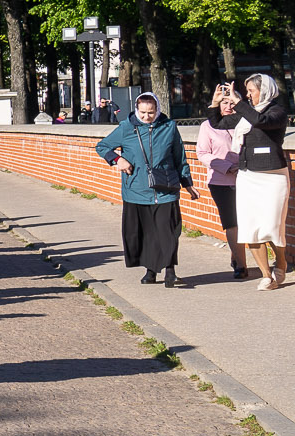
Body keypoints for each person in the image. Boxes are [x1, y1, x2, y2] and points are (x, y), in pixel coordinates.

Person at [96, 93, 198, 288]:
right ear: (137, 109)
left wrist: (188, 184)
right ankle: (150, 271)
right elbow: (102, 146)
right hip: (136, 189)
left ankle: (170, 271)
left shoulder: (169, 127)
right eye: (142, 112)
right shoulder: (127, 127)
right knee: (147, 233)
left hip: (166, 188)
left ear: (157, 110)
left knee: (168, 231)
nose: (146, 117)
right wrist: (118, 160)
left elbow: (180, 157)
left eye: (151, 112)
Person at [209, 74, 290, 291]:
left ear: (264, 91)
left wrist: (238, 103)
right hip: (248, 176)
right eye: (246, 91)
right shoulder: (245, 114)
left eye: (251, 91)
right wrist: (216, 103)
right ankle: (266, 275)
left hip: (273, 176)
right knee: (251, 226)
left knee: (272, 226)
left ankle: (281, 261)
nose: (247, 95)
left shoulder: (277, 111)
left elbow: (261, 121)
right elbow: (217, 123)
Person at [196, 86, 247, 279]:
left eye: (232, 102)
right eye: (224, 102)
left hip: (247, 179)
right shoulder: (208, 126)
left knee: (244, 222)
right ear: (217, 104)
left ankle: (236, 256)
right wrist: (226, 166)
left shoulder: (245, 122)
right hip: (221, 181)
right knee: (232, 223)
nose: (228, 106)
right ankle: (241, 266)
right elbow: (202, 153)